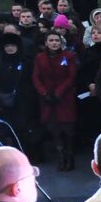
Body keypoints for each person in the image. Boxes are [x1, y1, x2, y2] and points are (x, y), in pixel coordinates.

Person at [32, 29, 79, 171]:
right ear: (46, 43)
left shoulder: (69, 56)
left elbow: (71, 77)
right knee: (54, 128)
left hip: (64, 98)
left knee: (68, 129)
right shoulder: (40, 57)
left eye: (57, 40)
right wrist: (44, 92)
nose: (54, 43)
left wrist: (59, 92)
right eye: (51, 40)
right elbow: (36, 77)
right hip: (47, 98)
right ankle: (60, 156)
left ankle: (69, 156)